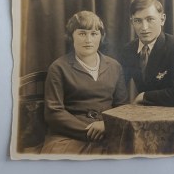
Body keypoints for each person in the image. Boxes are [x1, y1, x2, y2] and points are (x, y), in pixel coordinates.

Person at [41, 11, 127, 154]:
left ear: (101, 37)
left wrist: (107, 125)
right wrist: (90, 131)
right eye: (82, 33)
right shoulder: (58, 67)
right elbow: (53, 113)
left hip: (108, 131)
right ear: (71, 36)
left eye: (94, 34)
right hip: (69, 135)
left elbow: (122, 106)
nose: (88, 40)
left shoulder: (114, 66)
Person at [119, 0, 174, 107]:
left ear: (162, 20)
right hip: (143, 114)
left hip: (172, 115)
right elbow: (118, 88)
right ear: (131, 22)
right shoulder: (128, 50)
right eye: (138, 21)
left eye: (150, 19)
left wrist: (143, 96)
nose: (144, 27)